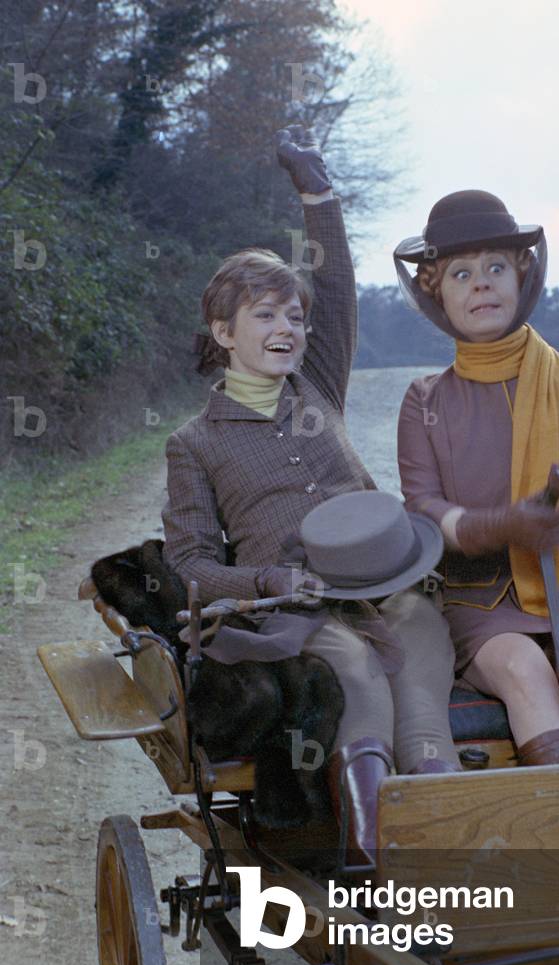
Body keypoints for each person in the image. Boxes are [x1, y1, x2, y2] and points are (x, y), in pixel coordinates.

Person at [161, 127, 462, 864]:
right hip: (290, 609)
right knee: (353, 667)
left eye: (292, 317)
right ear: (223, 331)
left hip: (386, 582)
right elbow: (191, 563)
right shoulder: (195, 443)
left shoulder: (318, 383)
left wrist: (317, 193)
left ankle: (449, 839)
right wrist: (265, 578)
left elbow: (335, 286)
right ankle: (371, 853)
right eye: (266, 315)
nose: (288, 327)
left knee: (420, 643)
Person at [394, 190, 559, 766]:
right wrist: (505, 524)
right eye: (460, 273)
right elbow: (426, 514)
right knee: (525, 670)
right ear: (435, 294)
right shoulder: (424, 401)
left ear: (522, 276)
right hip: (480, 607)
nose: (480, 283)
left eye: (495, 268)